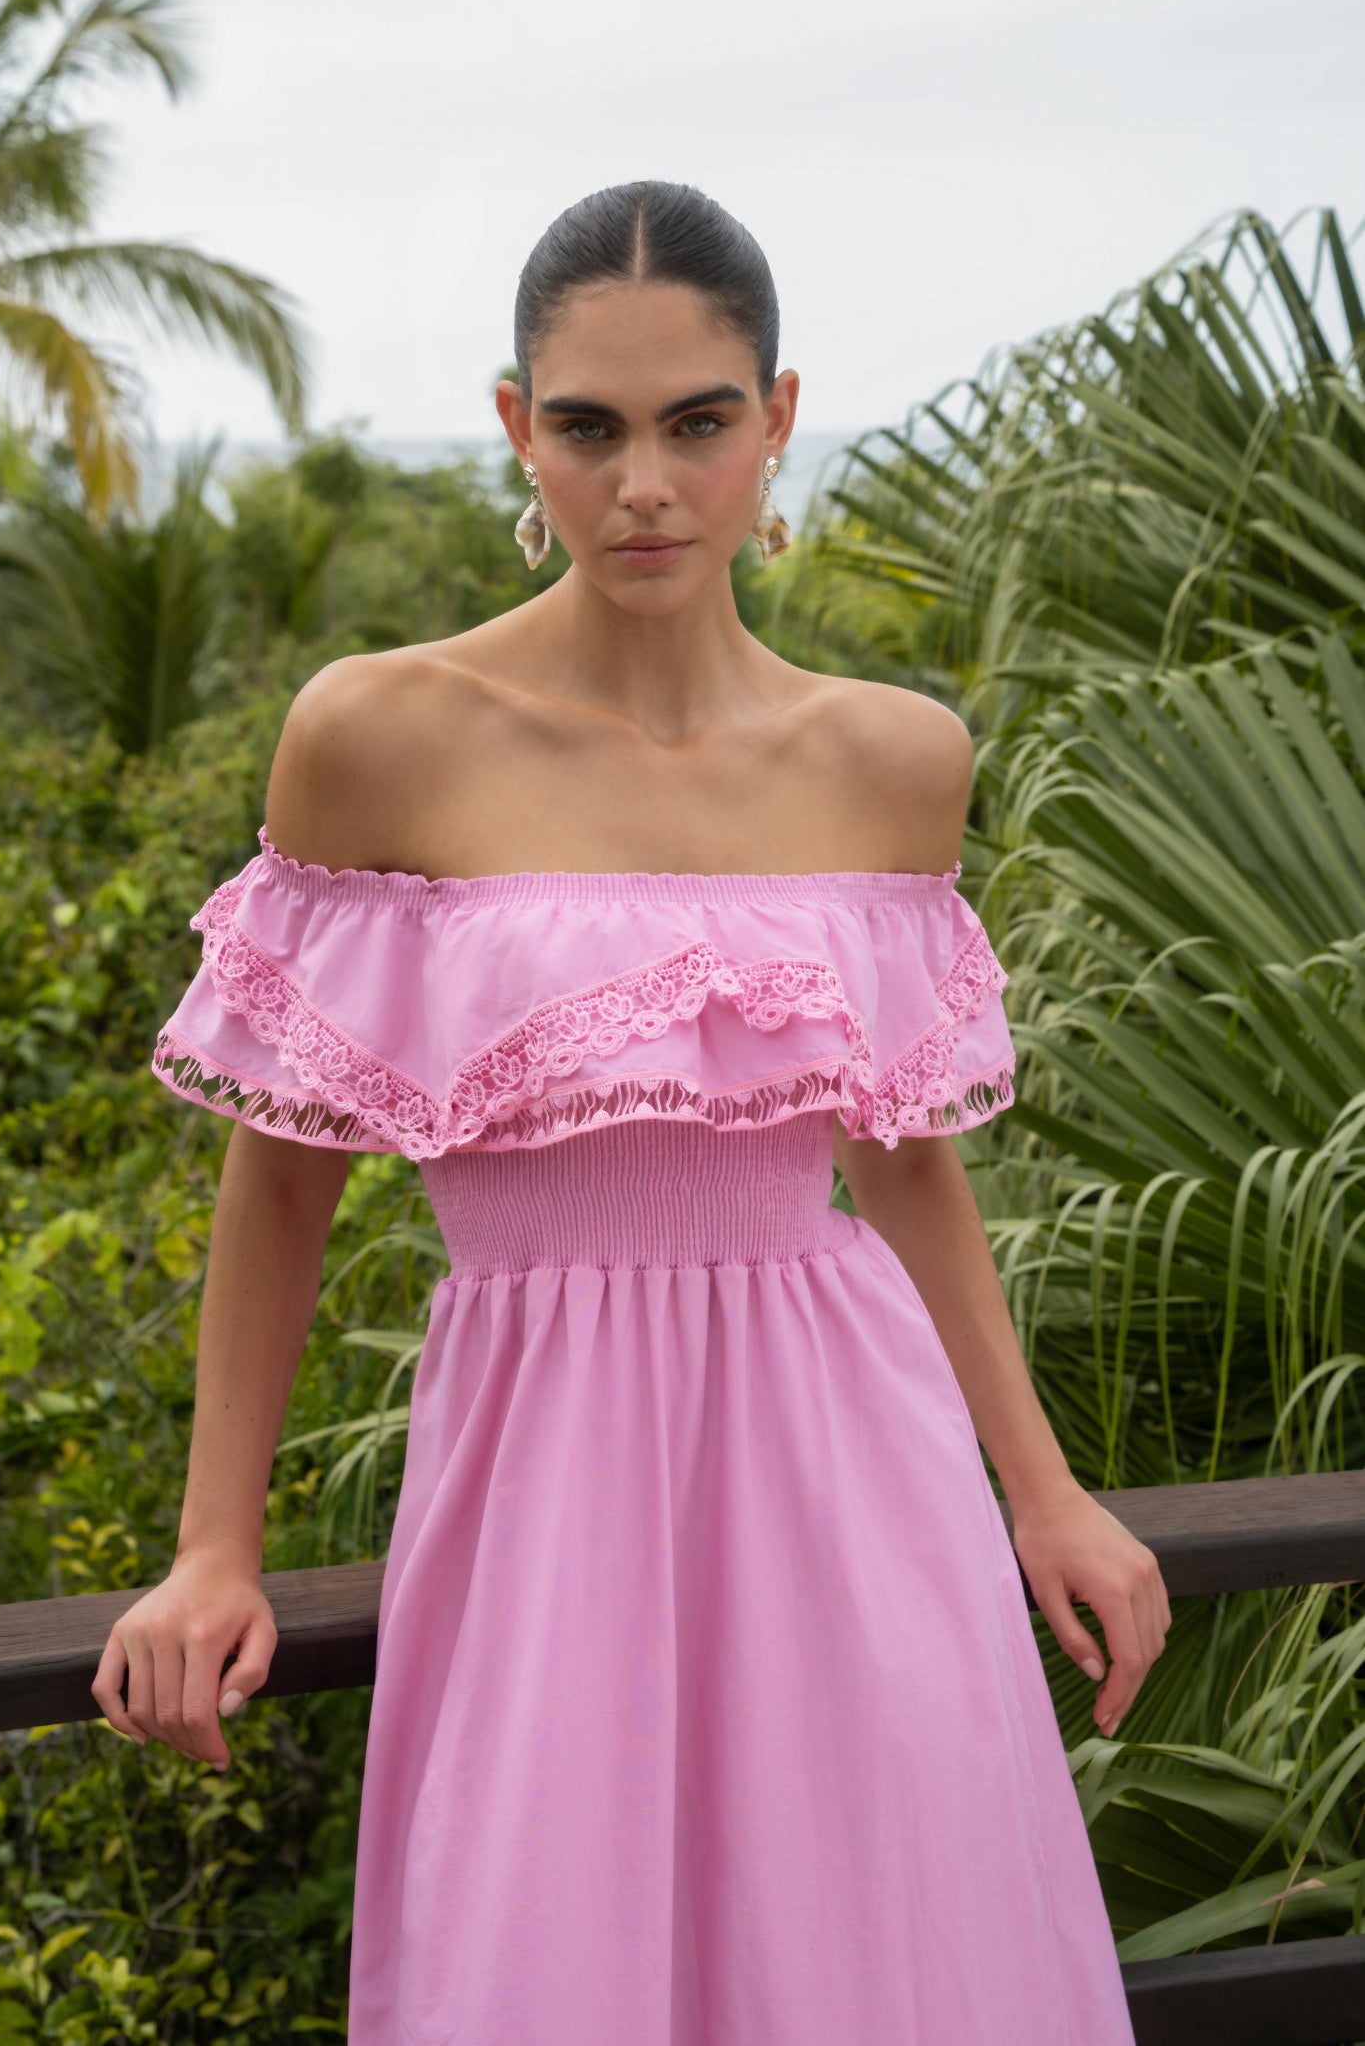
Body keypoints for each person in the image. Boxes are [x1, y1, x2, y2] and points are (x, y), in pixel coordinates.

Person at [93, 178, 1167, 2044]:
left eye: (696, 424)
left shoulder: (892, 760)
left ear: (777, 418)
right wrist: (214, 1548)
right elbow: (281, 1187)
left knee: (875, 1958)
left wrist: (1046, 1492)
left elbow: (901, 1158)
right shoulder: (379, 734)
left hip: (855, 1460)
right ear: (519, 427)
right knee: (547, 1955)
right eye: (589, 428)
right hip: (538, 1459)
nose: (644, 484)